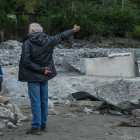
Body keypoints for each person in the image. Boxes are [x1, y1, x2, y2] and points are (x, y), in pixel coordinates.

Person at [18, 23, 80, 135]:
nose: (27, 32)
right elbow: (62, 36)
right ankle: (43, 125)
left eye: (28, 30)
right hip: (45, 74)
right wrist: (73, 30)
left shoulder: (28, 42)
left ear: (32, 31)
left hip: (34, 76)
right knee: (43, 101)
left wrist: (41, 70)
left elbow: (26, 61)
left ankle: (36, 127)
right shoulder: (49, 40)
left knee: (36, 101)